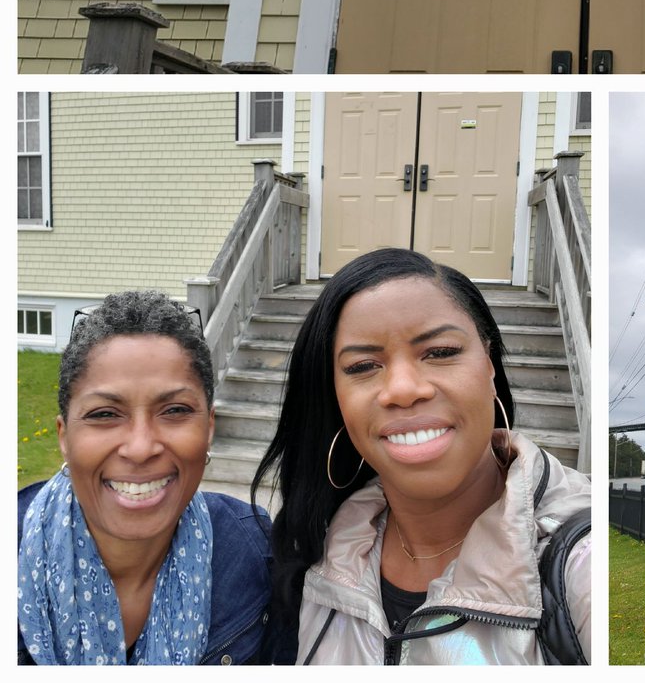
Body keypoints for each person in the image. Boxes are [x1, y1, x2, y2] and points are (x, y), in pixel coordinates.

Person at [252, 247, 591, 665]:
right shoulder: (322, 548)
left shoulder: (581, 561)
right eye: (362, 366)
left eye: (441, 352)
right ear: (335, 398)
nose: (403, 388)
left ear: (489, 365)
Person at [16, 290, 272, 665]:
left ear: (209, 428)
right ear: (64, 437)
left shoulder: (253, 548)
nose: (140, 448)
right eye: (104, 414)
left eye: (175, 410)